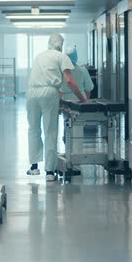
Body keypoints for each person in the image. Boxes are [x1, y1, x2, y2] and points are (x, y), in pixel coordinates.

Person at [26, 33, 87, 181]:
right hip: (49, 93)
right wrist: (83, 99)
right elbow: (70, 81)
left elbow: (42, 76)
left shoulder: (39, 56)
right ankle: (49, 172)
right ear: (60, 45)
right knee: (50, 131)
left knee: (33, 129)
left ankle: (34, 167)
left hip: (31, 93)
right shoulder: (61, 56)